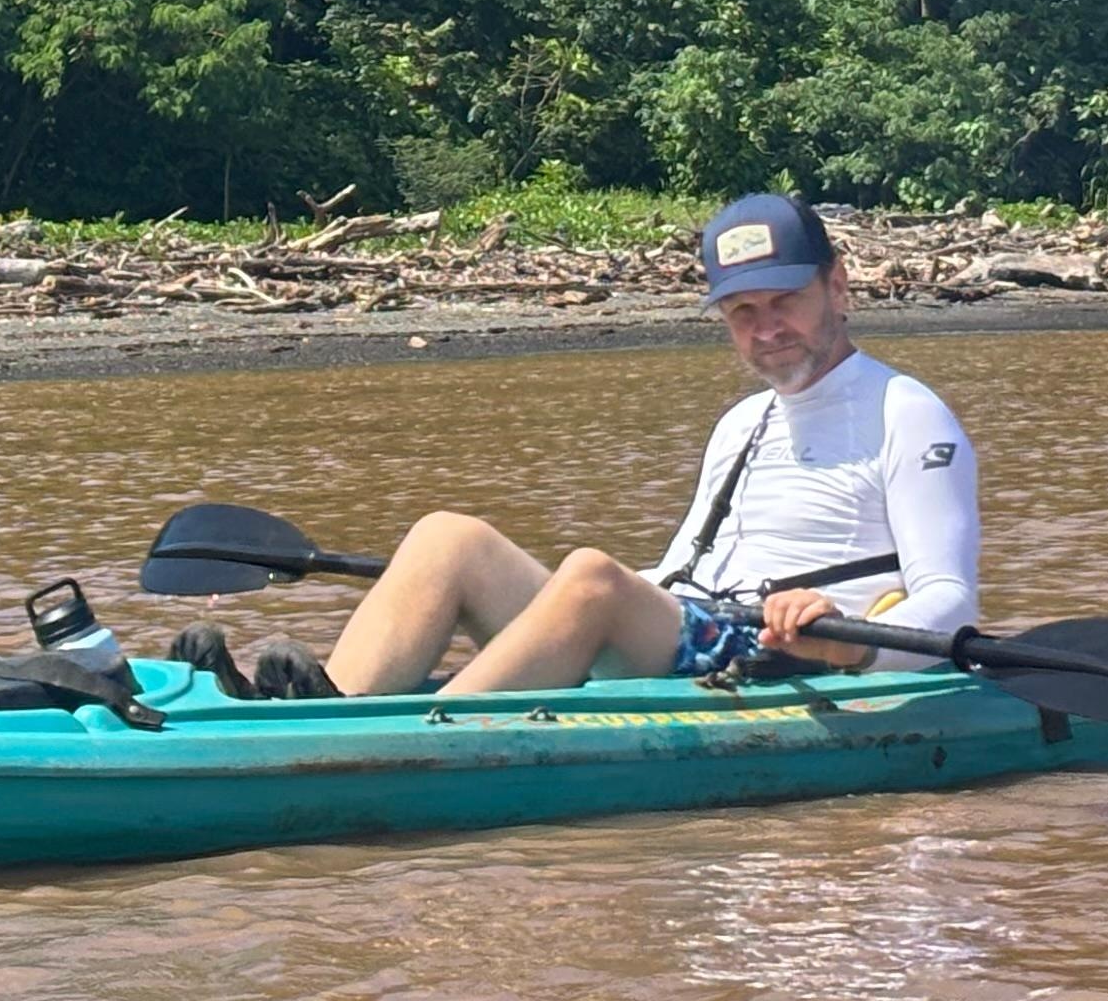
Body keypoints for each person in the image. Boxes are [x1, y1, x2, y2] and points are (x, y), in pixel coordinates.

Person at [271, 191, 981, 696]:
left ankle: (425, 738)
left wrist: (850, 643)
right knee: (446, 538)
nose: (766, 330)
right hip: (687, 628)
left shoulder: (907, 413)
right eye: (743, 312)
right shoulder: (742, 421)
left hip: (785, 656)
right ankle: (330, 708)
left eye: (785, 302)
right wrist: (586, 601)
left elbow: (949, 599)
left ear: (837, 286)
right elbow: (679, 569)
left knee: (592, 577)